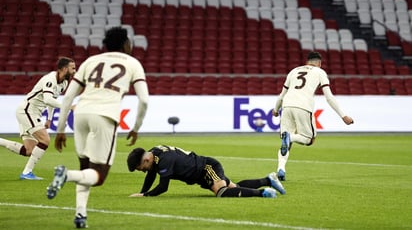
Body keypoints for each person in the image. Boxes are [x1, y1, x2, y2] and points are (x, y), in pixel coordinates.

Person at [45, 27, 149, 229]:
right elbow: (144, 100)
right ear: (126, 44)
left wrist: (60, 130)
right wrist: (136, 127)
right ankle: (65, 175)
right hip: (104, 116)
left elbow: (67, 97)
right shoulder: (132, 63)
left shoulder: (90, 61)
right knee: (98, 176)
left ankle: (80, 215)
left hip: (81, 114)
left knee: (86, 171)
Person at [272, 51, 354, 181]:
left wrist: (276, 110)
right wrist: (343, 115)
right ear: (320, 64)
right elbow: (329, 97)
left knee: (286, 142)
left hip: (286, 105)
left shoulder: (294, 71)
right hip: (303, 106)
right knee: (309, 139)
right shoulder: (320, 72)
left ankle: (280, 170)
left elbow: (281, 95)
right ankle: (290, 137)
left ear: (307, 62)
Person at [0, 57, 76, 180]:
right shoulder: (50, 79)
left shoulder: (64, 83)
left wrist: (49, 119)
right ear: (64, 69)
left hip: (32, 113)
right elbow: (47, 99)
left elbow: (53, 100)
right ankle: (26, 173)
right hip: (27, 111)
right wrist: (69, 107)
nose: (75, 71)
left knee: (29, 150)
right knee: (45, 140)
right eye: (73, 68)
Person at [126, 145, 286, 198]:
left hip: (206, 167)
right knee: (233, 187)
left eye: (141, 168)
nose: (143, 171)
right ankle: (268, 180)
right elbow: (151, 174)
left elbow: (163, 187)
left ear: (146, 160)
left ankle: (264, 193)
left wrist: (145, 195)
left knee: (221, 192)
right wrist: (142, 193)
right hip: (200, 174)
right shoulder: (154, 153)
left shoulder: (165, 160)